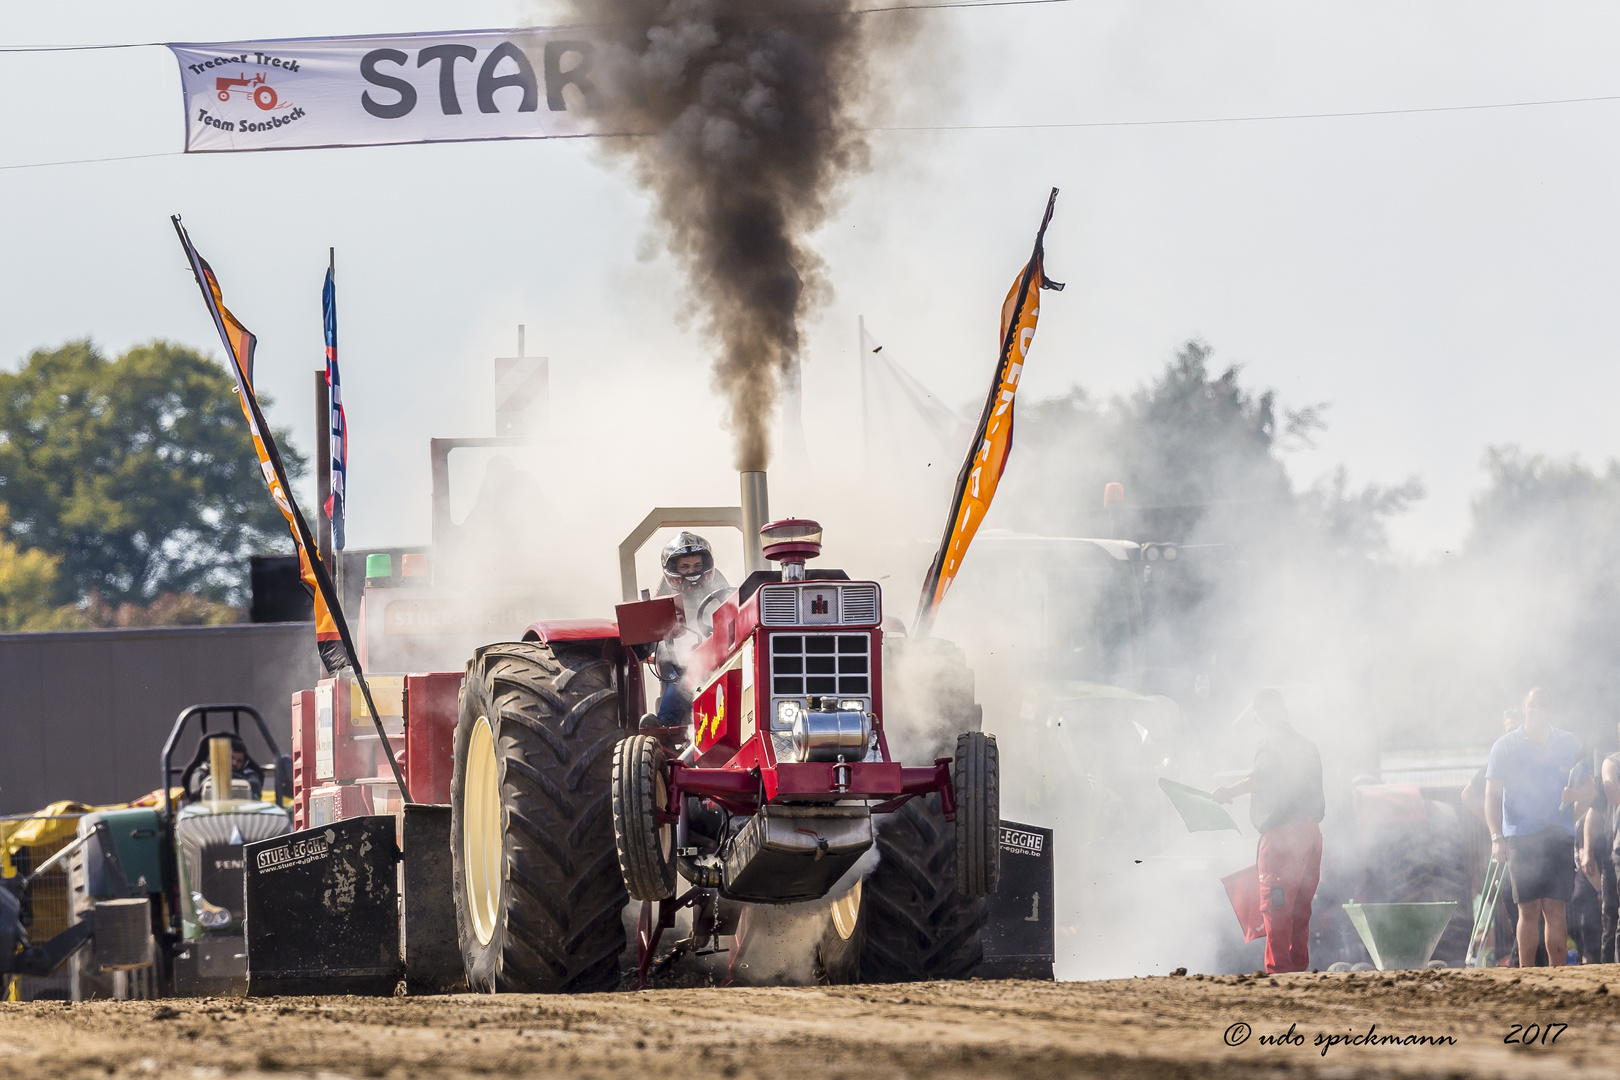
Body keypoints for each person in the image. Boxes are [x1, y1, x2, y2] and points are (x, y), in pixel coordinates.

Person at [1212, 689, 1326, 974]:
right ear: (1284, 711)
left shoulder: (1271, 745)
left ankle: (1279, 975)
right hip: (1311, 833)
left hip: (1282, 838)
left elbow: (1260, 777)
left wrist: (1228, 792)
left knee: (1276, 908)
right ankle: (1298, 970)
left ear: (1257, 716)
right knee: (1301, 907)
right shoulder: (1308, 745)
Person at [1484, 686, 1593, 967]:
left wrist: (1574, 802)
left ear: (1551, 709)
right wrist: (1497, 837)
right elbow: (1491, 795)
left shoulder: (1570, 743)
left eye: (1543, 705)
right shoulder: (1505, 745)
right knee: (1528, 909)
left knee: (1555, 910)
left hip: (1558, 838)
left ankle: (1558, 976)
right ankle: (1527, 974)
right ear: (1524, 707)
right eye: (1533, 705)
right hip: (1521, 838)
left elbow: (1590, 790)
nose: (1537, 711)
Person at [651, 532, 732, 727]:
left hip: (723, 663)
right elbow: (651, 637)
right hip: (681, 670)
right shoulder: (661, 599)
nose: (692, 572)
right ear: (673, 569)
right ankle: (666, 737)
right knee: (673, 699)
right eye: (685, 567)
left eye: (697, 566)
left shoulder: (724, 591)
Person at [1580, 722, 1620, 964]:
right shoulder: (1612, 764)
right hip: (1614, 853)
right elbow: (1594, 814)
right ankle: (1610, 971)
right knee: (1611, 916)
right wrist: (1587, 850)